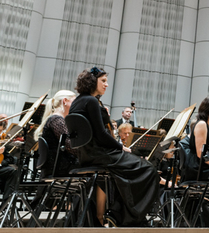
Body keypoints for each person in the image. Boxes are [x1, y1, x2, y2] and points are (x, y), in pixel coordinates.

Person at [68, 67, 158, 226]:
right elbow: (101, 134)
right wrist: (121, 147)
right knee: (148, 169)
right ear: (92, 81)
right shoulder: (91, 101)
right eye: (103, 80)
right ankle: (128, 217)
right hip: (100, 155)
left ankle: (118, 213)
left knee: (122, 175)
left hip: (86, 155)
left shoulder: (77, 101)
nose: (107, 84)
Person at [36, 90, 79, 177]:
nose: (76, 105)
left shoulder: (55, 119)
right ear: (65, 101)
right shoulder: (57, 120)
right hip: (60, 167)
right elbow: (70, 146)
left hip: (59, 166)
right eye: (74, 102)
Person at [184, 96, 209, 181]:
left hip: (202, 167)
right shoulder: (202, 124)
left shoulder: (206, 125)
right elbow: (201, 154)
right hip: (199, 169)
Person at [0, 114, 20, 204]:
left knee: (12, 171)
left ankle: (6, 203)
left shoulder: (3, 138)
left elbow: (10, 158)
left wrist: (2, 163)